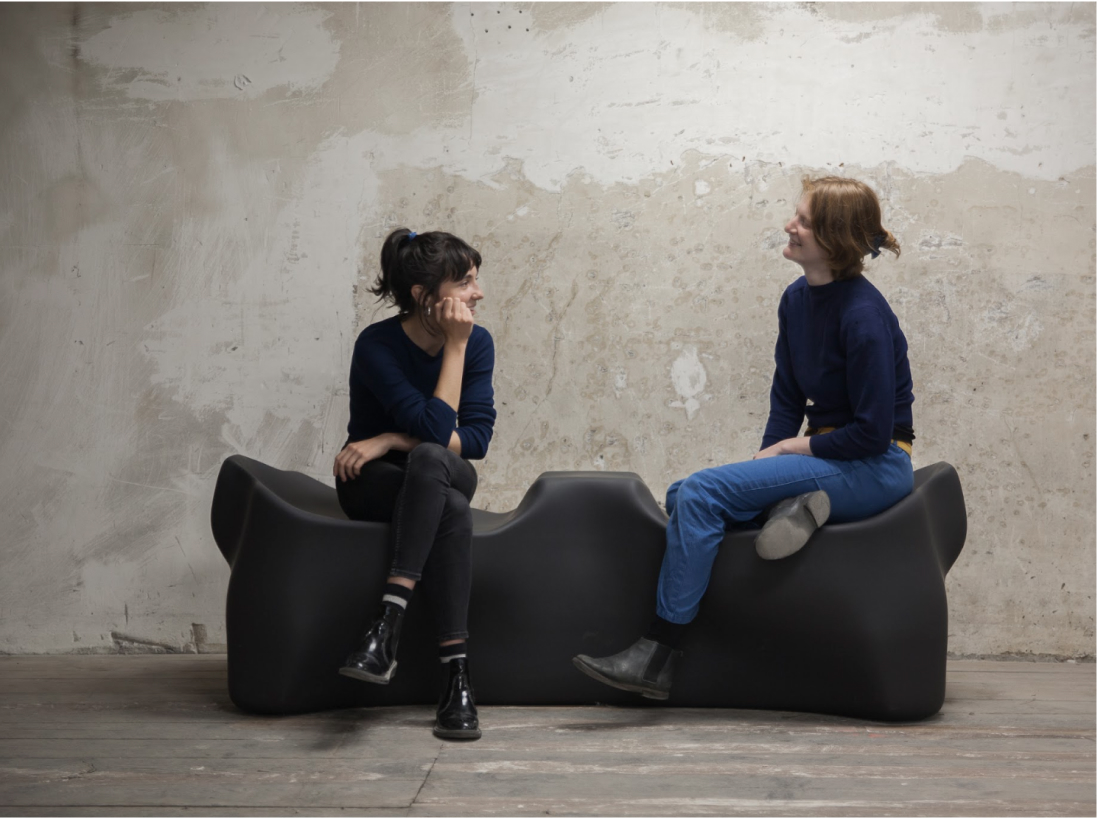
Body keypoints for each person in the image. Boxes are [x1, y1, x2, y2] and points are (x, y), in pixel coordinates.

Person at [573, 176, 915, 700]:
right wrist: (761, 464)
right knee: (685, 494)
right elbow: (786, 400)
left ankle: (657, 655)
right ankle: (794, 507)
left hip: (876, 465)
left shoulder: (863, 315)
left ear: (836, 237)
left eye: (803, 220)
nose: (788, 225)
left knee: (704, 494)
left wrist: (788, 450)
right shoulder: (796, 300)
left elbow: (871, 434)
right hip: (834, 458)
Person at [333, 228, 495, 740]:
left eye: (476, 279)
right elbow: (434, 430)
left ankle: (388, 624)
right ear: (426, 296)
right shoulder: (377, 344)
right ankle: (458, 675)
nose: (478, 293)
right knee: (450, 506)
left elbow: (474, 438)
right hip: (373, 484)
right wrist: (454, 348)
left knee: (430, 460)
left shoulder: (479, 342)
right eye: (465, 282)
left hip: (440, 469)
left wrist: (388, 439)